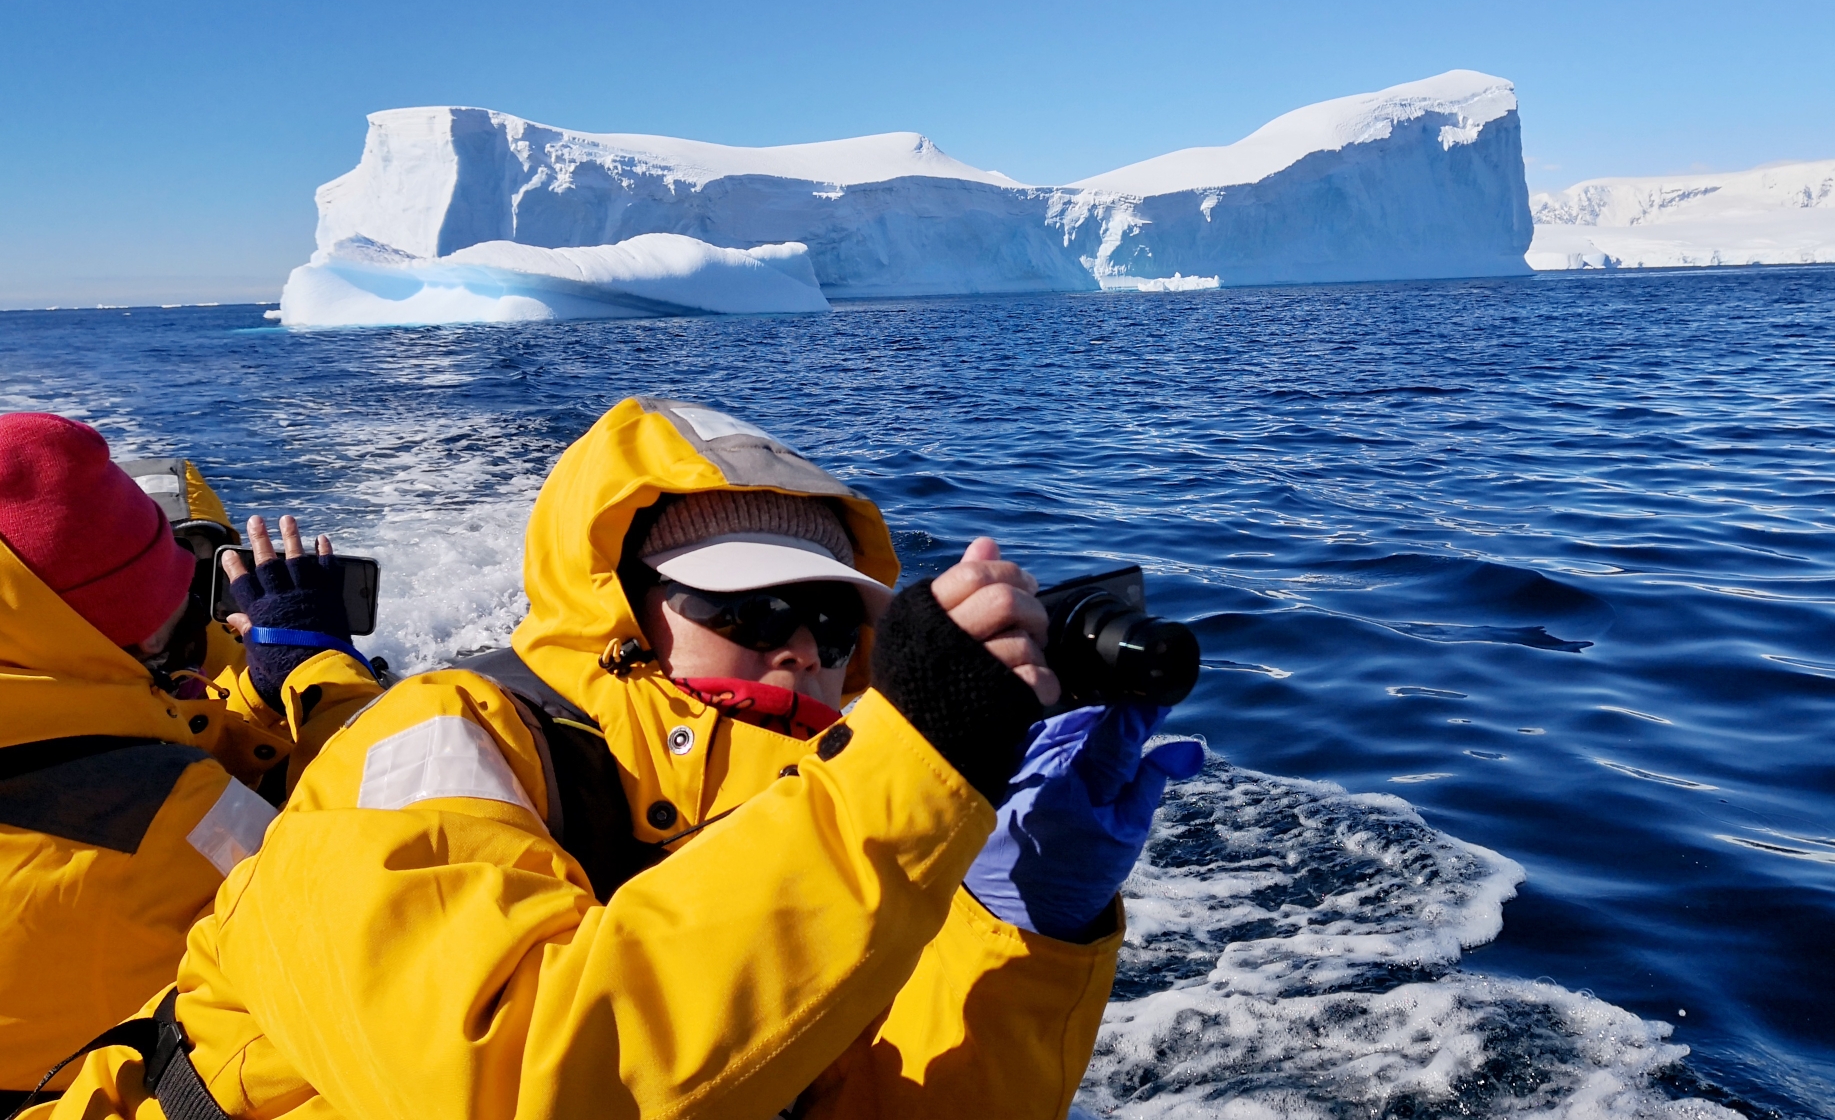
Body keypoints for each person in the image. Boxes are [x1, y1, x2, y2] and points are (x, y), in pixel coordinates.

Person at [40, 397, 1201, 1119]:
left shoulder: (819, 828)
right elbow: (508, 1086)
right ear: (620, 612)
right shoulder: (440, 741)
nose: (802, 650)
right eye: (751, 610)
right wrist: (898, 784)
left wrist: (1022, 939)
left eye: (840, 625)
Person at [0, 414, 384, 1106]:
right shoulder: (178, 817)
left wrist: (253, 700)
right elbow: (376, 877)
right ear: (122, 621)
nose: (196, 615)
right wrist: (325, 677)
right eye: (172, 593)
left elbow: (109, 737)